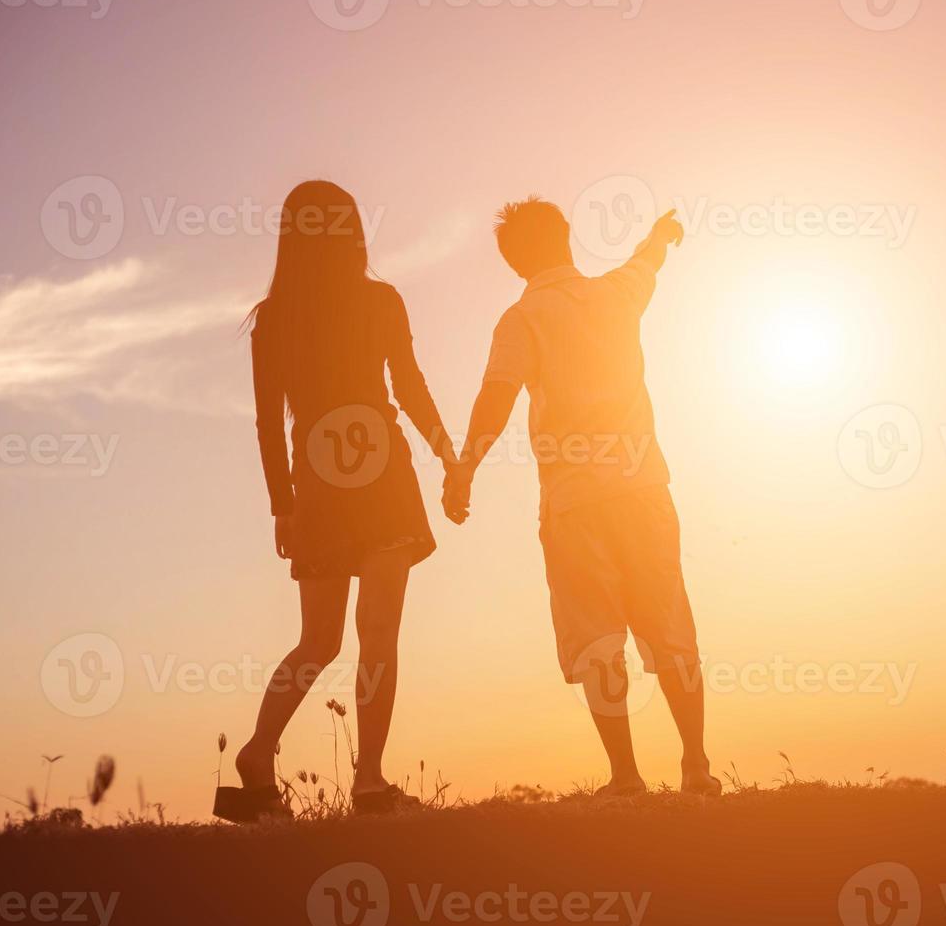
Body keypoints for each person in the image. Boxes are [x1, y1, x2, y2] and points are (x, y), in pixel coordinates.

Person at [442, 197, 718, 796]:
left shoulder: (522, 318)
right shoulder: (618, 293)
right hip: (643, 488)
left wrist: (464, 468)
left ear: (513, 261)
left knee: (596, 637)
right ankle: (696, 764)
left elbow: (497, 394)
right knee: (668, 624)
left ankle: (625, 776)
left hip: (575, 503)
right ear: (566, 237)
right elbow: (647, 261)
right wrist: (662, 234)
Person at [215, 180, 455, 822]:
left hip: (373, 483)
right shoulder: (279, 317)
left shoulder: (374, 303)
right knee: (325, 640)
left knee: (369, 633)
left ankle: (369, 780)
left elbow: (406, 383)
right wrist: (282, 504)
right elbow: (268, 420)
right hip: (329, 489)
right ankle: (259, 754)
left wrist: (445, 451)